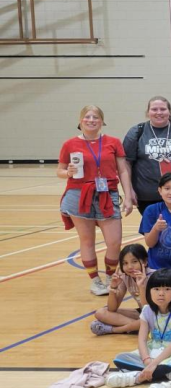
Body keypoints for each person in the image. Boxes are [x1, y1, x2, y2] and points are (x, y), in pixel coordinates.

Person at [59, 105, 135, 295]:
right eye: (87, 117)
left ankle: (110, 277)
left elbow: (123, 170)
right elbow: (59, 170)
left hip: (107, 194)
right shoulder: (69, 144)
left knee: (114, 241)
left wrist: (128, 195)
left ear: (102, 121)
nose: (91, 120)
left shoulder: (113, 142)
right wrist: (66, 172)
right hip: (78, 195)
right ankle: (95, 281)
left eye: (95, 117)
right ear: (80, 120)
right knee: (87, 241)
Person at [104, 268, 171, 388]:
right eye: (156, 289)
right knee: (121, 357)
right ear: (149, 291)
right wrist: (146, 361)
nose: (161, 293)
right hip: (154, 350)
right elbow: (142, 340)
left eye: (167, 289)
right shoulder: (147, 310)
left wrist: (153, 364)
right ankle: (168, 373)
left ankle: (136, 377)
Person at [124, 95, 171, 213]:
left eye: (163, 109)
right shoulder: (137, 132)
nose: (159, 112)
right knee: (154, 230)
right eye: (154, 109)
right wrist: (129, 192)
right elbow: (126, 165)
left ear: (169, 111)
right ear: (148, 112)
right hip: (147, 195)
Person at [91, 244, 150, 335]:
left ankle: (116, 329)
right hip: (143, 313)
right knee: (101, 313)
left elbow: (149, 310)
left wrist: (141, 286)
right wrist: (113, 287)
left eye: (134, 261)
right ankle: (142, 327)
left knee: (148, 319)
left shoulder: (154, 277)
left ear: (145, 262)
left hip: (157, 314)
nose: (130, 266)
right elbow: (112, 308)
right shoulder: (126, 277)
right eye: (125, 263)